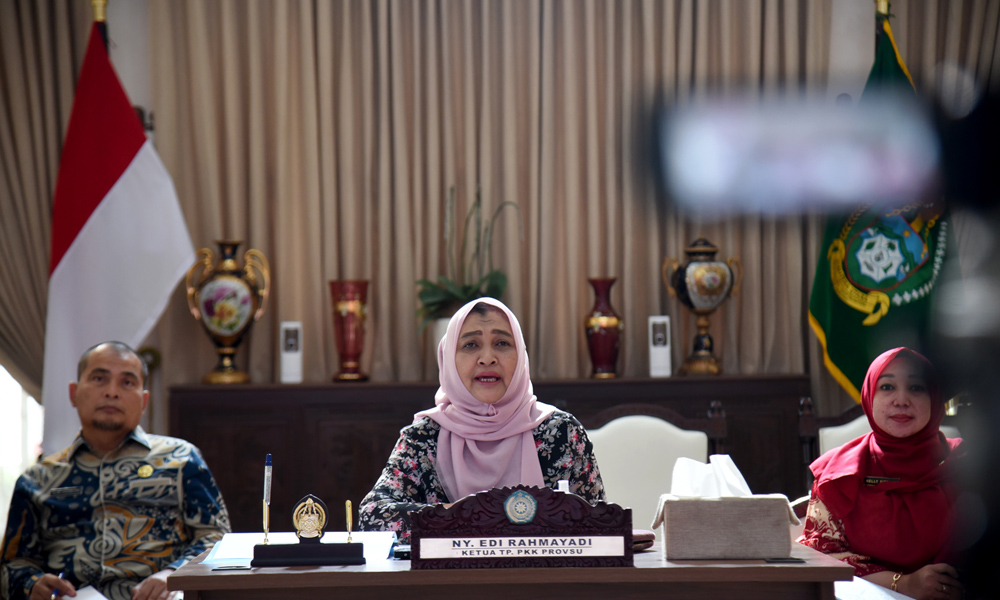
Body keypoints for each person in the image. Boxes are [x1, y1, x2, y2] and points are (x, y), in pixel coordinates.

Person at [359, 298, 605, 541]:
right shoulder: (423, 437)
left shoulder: (561, 431)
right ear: (449, 360)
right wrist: (476, 515)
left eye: (502, 343)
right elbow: (372, 517)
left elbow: (601, 524)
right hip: (448, 580)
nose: (488, 358)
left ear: (521, 355)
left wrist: (459, 521)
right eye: (470, 345)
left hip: (542, 579)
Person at [0, 341, 230, 600]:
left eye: (127, 382)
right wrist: (34, 584)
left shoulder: (181, 459)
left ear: (144, 400)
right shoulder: (38, 479)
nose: (112, 392)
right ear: (73, 393)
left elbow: (217, 539)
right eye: (99, 379)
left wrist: (173, 575)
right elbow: (12, 565)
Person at [797, 347, 964, 600]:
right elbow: (821, 555)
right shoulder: (839, 474)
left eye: (916, 387)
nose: (901, 400)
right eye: (887, 387)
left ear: (935, 397)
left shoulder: (967, 465)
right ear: (869, 396)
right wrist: (903, 583)